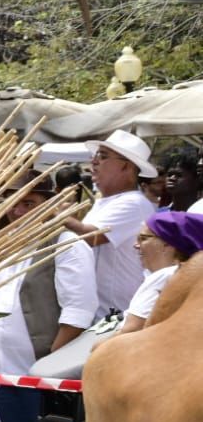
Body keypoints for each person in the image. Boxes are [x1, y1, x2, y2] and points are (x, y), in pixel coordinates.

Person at [0, 174, 98, 422]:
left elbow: (79, 313)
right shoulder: (7, 246)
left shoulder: (66, 244)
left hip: (43, 378)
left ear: (49, 205)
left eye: (30, 203)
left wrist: (47, 367)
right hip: (6, 374)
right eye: (14, 204)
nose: (19, 211)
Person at [63, 130, 158, 316]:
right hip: (100, 312)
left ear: (126, 167)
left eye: (103, 156)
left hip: (117, 314)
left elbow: (91, 237)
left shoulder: (133, 203)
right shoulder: (106, 201)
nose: (94, 161)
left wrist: (55, 214)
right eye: (96, 155)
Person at [116, 212, 203, 334]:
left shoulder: (164, 277)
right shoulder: (193, 276)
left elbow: (130, 331)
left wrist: (96, 347)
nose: (136, 245)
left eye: (143, 238)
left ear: (167, 243)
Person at [162, 149, 201, 214]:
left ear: (196, 180)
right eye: (169, 175)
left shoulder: (200, 213)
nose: (172, 178)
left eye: (179, 175)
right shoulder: (160, 215)